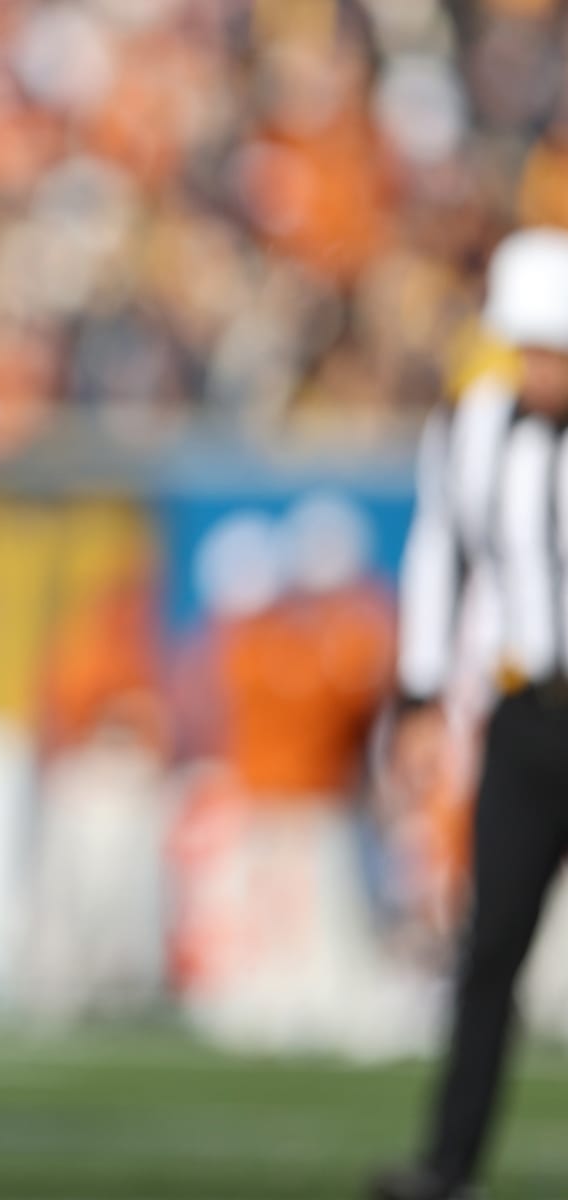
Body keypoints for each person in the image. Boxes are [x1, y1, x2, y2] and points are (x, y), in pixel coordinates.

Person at [370, 227, 568, 1200]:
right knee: (490, 946)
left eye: (555, 354)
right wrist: (417, 695)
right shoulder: (474, 423)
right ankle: (449, 1169)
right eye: (528, 350)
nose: (538, 373)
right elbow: (438, 554)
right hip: (529, 717)